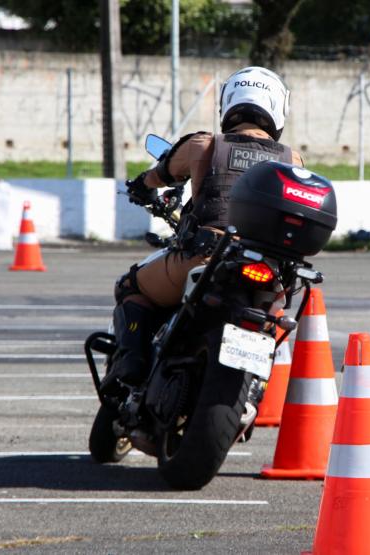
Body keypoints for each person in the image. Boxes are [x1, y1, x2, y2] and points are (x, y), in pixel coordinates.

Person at [103, 66, 304, 393]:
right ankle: (251, 392)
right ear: (279, 108)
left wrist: (142, 186)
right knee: (268, 322)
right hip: (267, 271)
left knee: (130, 286)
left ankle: (132, 364)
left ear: (229, 102)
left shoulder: (204, 144)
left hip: (207, 257)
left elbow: (158, 175)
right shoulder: (292, 160)